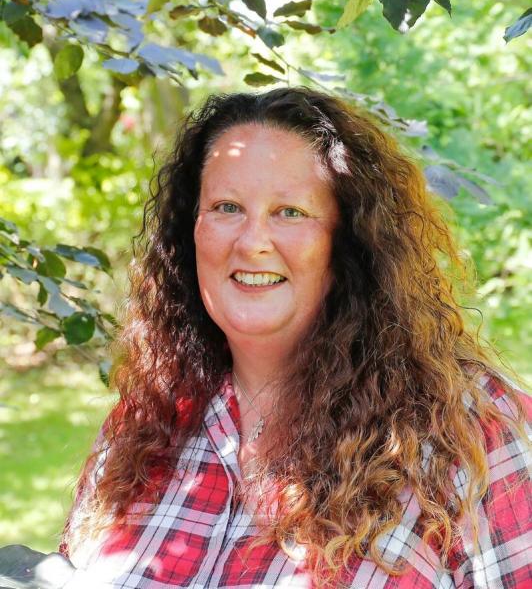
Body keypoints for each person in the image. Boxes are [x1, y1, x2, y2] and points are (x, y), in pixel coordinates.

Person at [1, 88, 530, 588]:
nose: (253, 242)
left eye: (290, 212)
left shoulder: (470, 432)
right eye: (227, 208)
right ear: (191, 230)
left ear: (346, 242)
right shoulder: (143, 429)